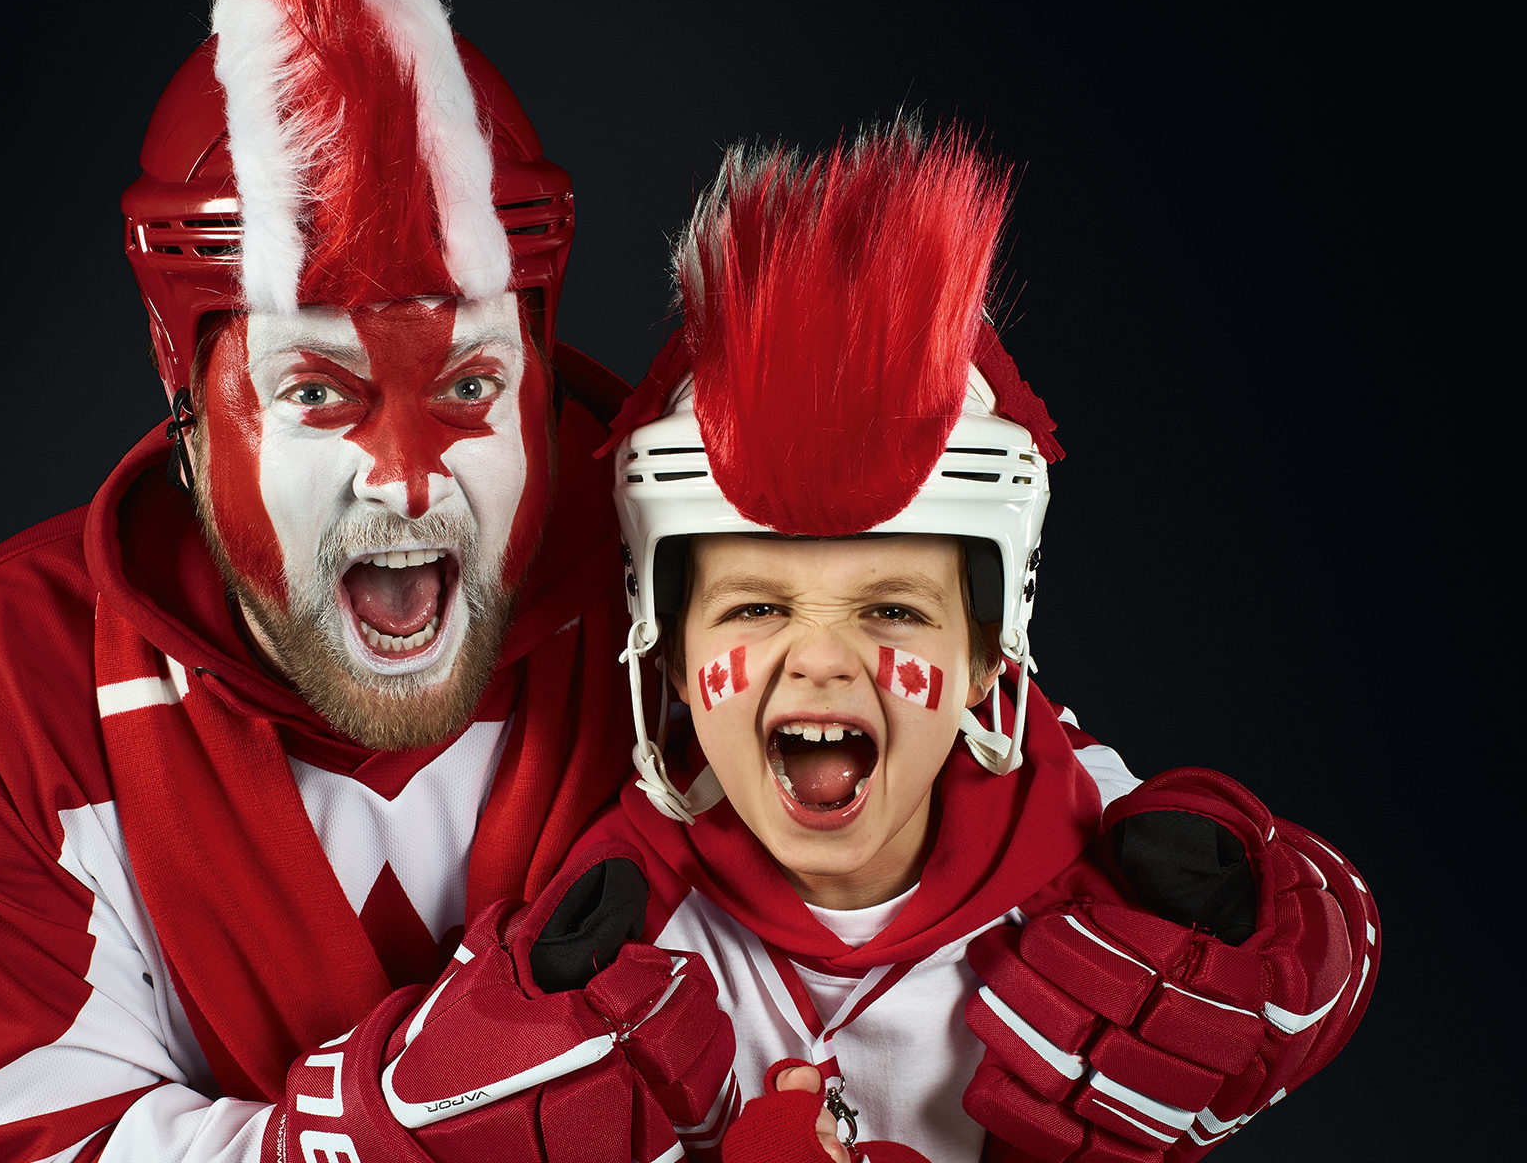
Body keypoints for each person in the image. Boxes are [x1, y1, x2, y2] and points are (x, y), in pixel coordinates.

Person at [0, 0, 1369, 1163]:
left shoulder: (696, 550)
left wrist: (1282, 928)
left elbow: (997, 750)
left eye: (465, 380)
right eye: (319, 393)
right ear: (184, 397)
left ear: (537, 354)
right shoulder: (12, 692)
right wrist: (387, 1138)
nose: (403, 479)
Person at [557, 125, 1379, 1161]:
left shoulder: (1098, 850)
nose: (820, 662)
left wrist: (1277, 939)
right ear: (667, 649)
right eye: (757, 607)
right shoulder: (603, 924)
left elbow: (1310, 957)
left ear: (991, 652)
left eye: (891, 610)